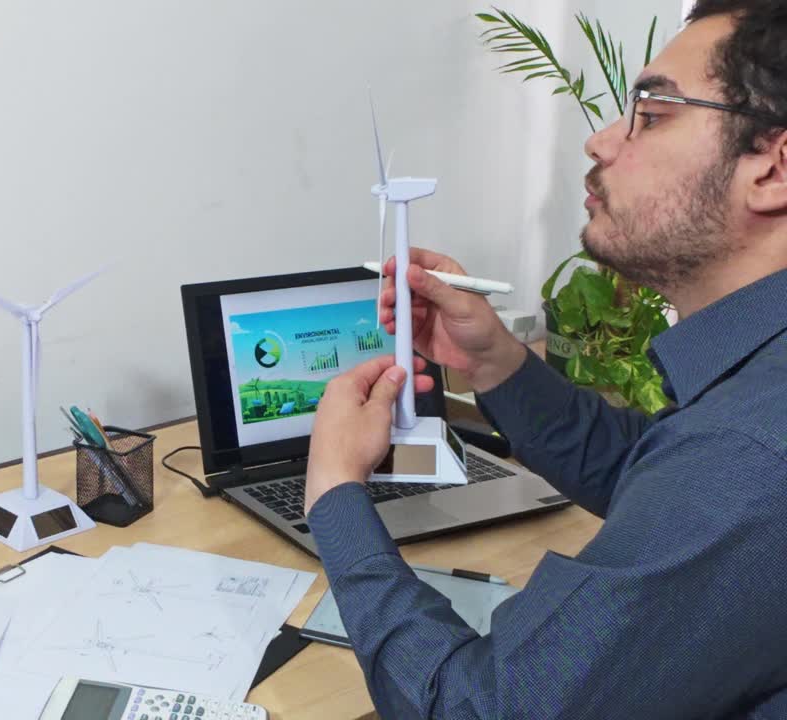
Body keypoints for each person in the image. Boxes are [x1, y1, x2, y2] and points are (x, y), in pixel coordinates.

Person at [303, 2, 787, 718]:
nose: (599, 140)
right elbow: (657, 473)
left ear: (774, 169)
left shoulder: (749, 453)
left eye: (652, 114)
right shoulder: (750, 413)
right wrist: (495, 362)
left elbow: (480, 709)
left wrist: (336, 496)